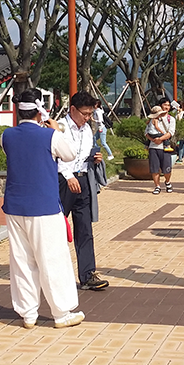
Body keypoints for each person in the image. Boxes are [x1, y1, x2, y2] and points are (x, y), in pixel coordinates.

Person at [1, 89, 84, 329]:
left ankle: (28, 312)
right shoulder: (50, 136)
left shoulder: (7, 135)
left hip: (15, 206)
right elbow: (69, 155)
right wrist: (56, 130)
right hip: (44, 206)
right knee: (52, 258)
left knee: (21, 259)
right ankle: (61, 312)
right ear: (40, 112)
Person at [58, 92, 109, 291]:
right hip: (63, 180)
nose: (87, 118)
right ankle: (55, 274)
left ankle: (88, 275)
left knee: (85, 229)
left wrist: (95, 159)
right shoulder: (59, 127)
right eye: (85, 113)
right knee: (58, 228)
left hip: (83, 180)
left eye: (90, 114)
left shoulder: (87, 129)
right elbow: (56, 155)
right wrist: (68, 176)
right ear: (73, 110)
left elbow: (84, 153)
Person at [146, 98, 175, 195]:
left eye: (168, 105)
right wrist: (153, 140)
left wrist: (160, 139)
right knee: (154, 168)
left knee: (167, 169)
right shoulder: (152, 118)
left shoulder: (171, 119)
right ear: (160, 106)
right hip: (153, 147)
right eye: (165, 105)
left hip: (165, 148)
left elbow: (170, 133)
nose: (167, 107)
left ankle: (167, 181)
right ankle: (157, 186)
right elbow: (146, 132)